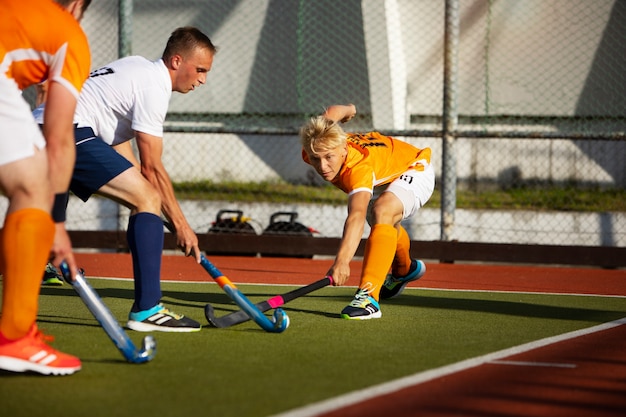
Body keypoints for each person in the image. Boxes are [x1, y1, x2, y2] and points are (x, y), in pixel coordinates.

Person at [33, 26, 216, 332]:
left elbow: (121, 149)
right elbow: (152, 167)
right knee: (146, 198)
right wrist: (181, 224)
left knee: (144, 197)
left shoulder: (135, 66)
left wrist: (159, 208)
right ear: (176, 61)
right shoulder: (154, 87)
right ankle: (147, 309)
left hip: (38, 130)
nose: (202, 80)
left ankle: (33, 263)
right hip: (64, 132)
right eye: (199, 70)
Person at [0, 0, 92, 375]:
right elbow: (59, 138)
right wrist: (56, 222)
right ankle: (15, 336)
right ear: (76, 5)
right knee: (33, 181)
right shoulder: (69, 33)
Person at [300, 104, 435, 319]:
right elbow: (333, 113)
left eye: (329, 157)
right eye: (316, 159)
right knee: (384, 220)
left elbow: (356, 216)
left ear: (343, 149)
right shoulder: (317, 141)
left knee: (382, 211)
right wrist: (350, 109)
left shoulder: (357, 169)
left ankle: (368, 297)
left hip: (414, 167)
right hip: (385, 173)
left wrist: (342, 261)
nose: (322, 166)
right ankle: (405, 270)